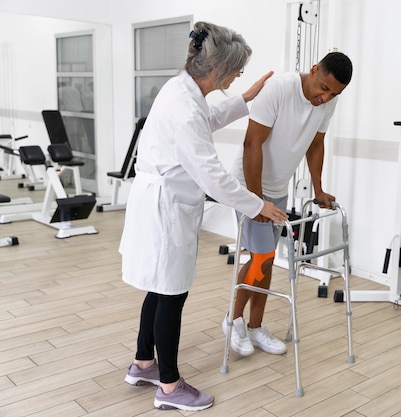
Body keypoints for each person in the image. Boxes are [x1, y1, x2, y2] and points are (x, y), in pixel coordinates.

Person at [119, 21, 287, 412]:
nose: (239, 74)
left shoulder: (181, 88)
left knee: (158, 288)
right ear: (216, 70)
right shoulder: (185, 108)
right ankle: (170, 386)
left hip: (160, 200)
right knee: (172, 294)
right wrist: (257, 204)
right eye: (237, 69)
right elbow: (212, 174)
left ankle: (144, 363)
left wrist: (244, 97)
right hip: (166, 208)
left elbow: (205, 120)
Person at [223, 51, 353, 356]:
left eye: (334, 93)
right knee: (261, 256)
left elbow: (316, 143)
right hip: (248, 185)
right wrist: (256, 202)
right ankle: (233, 320)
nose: (326, 97)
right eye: (323, 88)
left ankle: (255, 327)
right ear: (313, 70)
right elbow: (251, 143)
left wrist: (319, 189)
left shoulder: (329, 100)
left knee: (266, 260)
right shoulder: (279, 89)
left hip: (278, 188)